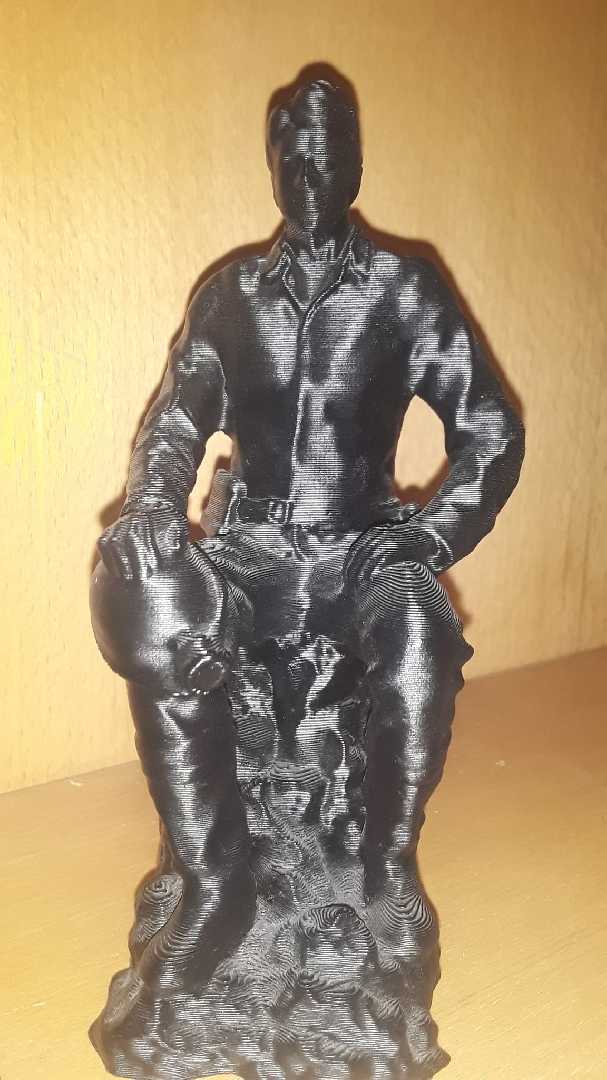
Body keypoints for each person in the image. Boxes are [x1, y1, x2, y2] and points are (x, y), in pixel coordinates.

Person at [94, 76, 524, 1004]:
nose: (312, 178)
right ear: (273, 167)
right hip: (250, 548)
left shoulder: (405, 289)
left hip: (360, 548)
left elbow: (489, 429)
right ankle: (215, 883)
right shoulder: (231, 296)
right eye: (294, 161)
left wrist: (429, 538)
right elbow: (177, 422)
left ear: (357, 165)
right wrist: (153, 508)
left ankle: (386, 866)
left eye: (329, 160)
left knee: (419, 631)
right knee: (135, 585)